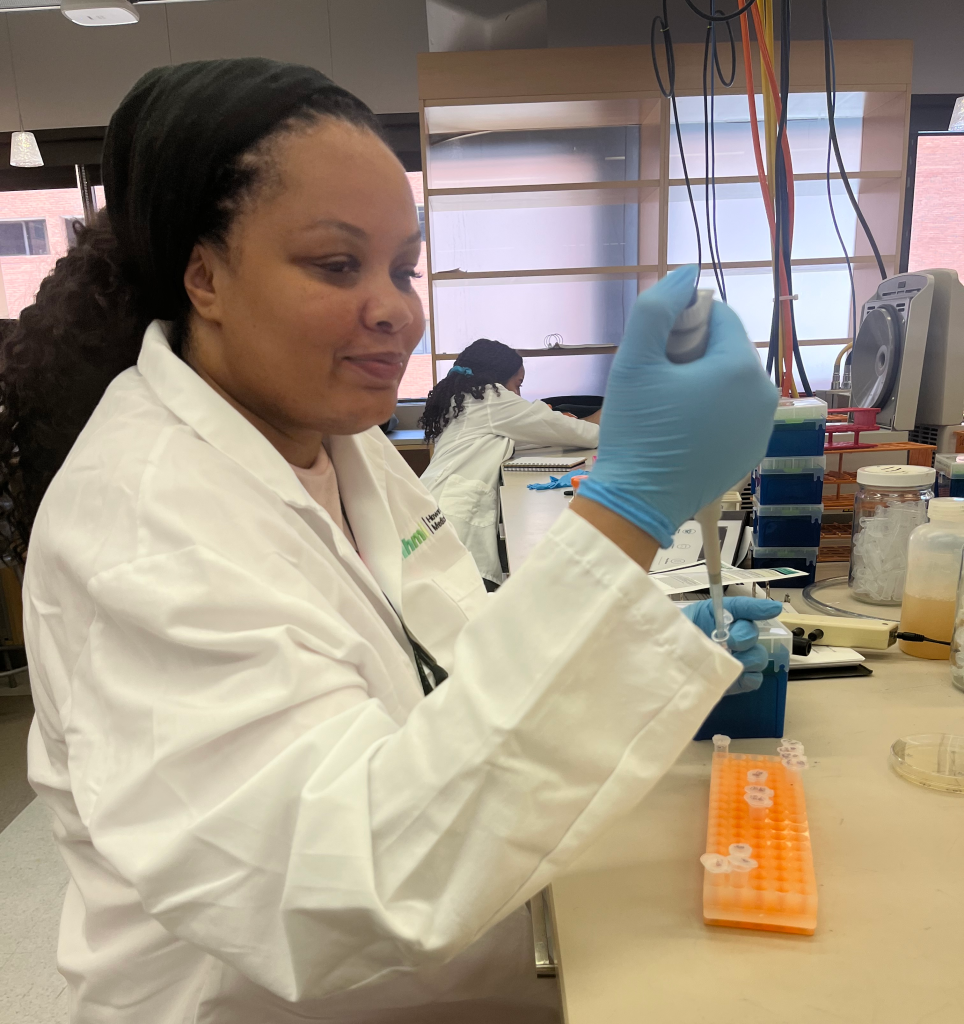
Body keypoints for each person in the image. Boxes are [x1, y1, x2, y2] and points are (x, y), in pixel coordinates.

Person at [0, 58, 780, 1024]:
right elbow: (345, 885)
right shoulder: (142, 524)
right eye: (338, 265)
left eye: (402, 267)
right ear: (203, 274)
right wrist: (624, 515)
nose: (398, 309)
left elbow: (446, 662)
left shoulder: (339, 442)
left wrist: (634, 626)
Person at [420, 337, 600, 588]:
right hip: (455, 520)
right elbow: (583, 433)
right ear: (497, 377)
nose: (518, 394)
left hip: (433, 508)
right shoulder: (491, 398)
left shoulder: (462, 401)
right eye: (518, 384)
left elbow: (525, 438)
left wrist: (553, 421)